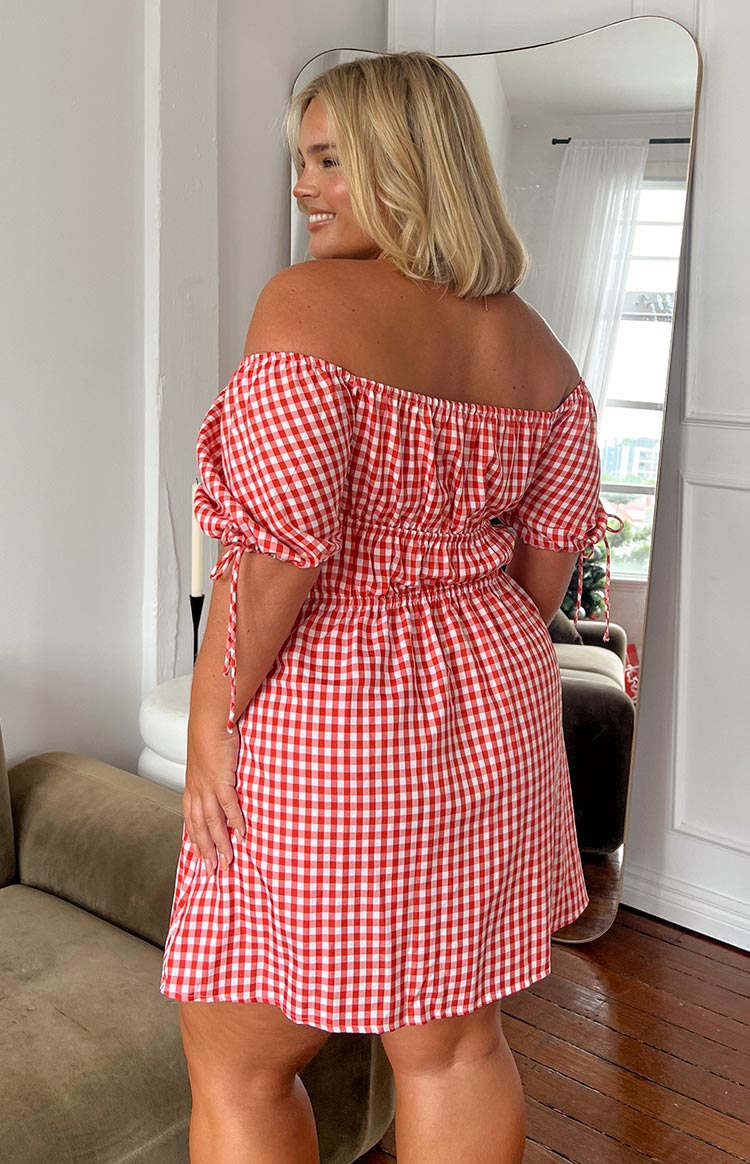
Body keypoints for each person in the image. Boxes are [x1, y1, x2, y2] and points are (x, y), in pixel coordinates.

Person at [160, 50, 609, 1164]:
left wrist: (213, 718)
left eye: (325, 161)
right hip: (498, 695)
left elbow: (277, 559)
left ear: (402, 164)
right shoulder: (539, 347)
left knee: (236, 1056)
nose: (302, 188)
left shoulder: (305, 306)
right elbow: (546, 575)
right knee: (455, 1049)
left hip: (334, 708)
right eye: (298, 163)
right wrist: (448, 612)